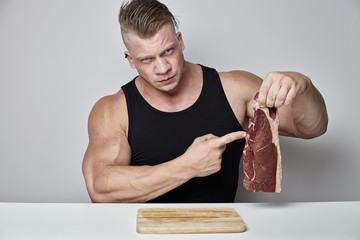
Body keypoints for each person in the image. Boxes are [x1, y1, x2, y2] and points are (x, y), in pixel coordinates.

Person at [82, 0, 328, 203]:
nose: (162, 68)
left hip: (222, 230)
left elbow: (312, 128)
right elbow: (100, 189)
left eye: (168, 51)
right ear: (130, 60)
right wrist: (186, 167)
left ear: (180, 40)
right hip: (146, 234)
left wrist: (303, 85)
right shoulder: (113, 110)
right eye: (147, 59)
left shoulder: (234, 89)